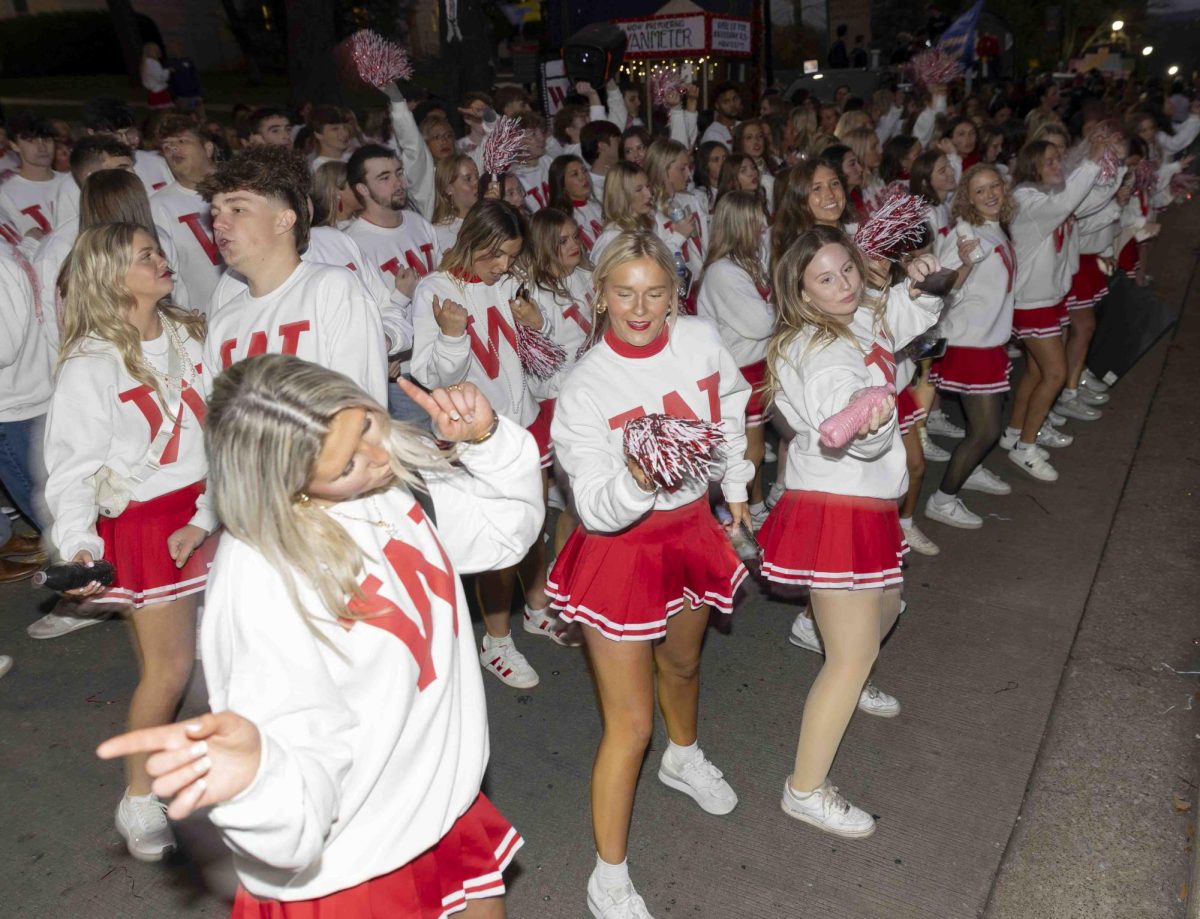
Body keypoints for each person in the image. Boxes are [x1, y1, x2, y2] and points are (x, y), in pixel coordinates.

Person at [97, 354, 543, 916]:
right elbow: (300, 776)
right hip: (350, 866)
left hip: (438, 804)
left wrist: (487, 441)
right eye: (347, 464)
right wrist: (257, 780)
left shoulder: (389, 487)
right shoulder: (266, 578)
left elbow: (506, 536)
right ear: (289, 485)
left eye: (365, 425)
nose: (380, 457)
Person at [547, 230, 751, 918]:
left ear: (674, 295)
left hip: (691, 529)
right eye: (624, 292)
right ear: (599, 295)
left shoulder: (698, 339)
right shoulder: (584, 389)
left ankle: (684, 755)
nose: (639, 307)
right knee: (630, 725)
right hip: (622, 549)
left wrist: (739, 485)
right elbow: (598, 510)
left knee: (686, 667)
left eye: (654, 292)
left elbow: (731, 400)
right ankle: (607, 874)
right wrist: (639, 478)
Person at [759, 225, 943, 838]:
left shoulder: (857, 313)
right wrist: (871, 420)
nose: (843, 285)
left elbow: (896, 319)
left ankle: (827, 633)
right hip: (838, 503)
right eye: (826, 278)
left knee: (890, 606)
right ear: (803, 294)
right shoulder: (820, 351)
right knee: (856, 653)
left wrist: (923, 280)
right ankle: (804, 790)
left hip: (867, 501)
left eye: (847, 270)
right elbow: (846, 410)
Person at [45, 223, 216, 860]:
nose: (161, 260)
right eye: (144, 256)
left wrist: (215, 504)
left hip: (214, 507)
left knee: (232, 651)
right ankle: (139, 798)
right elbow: (72, 468)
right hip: (149, 524)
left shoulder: (193, 333)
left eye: (156, 250)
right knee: (169, 668)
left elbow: (224, 422)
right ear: (112, 276)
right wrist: (79, 543)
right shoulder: (91, 363)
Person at [412, 199, 564, 685]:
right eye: (495, 255)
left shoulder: (508, 283)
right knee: (497, 543)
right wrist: (452, 335)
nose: (503, 266)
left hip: (521, 425)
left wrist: (537, 323)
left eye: (511, 255)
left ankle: (537, 607)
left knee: (534, 523)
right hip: (475, 436)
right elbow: (431, 375)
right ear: (471, 241)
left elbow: (543, 355)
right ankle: (495, 642)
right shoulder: (436, 289)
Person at [199, 144, 389, 403]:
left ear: (284, 221)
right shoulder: (223, 322)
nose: (218, 224)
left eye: (238, 210)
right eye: (215, 213)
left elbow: (359, 407)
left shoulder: (333, 290)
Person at [1002, 137, 1103, 482]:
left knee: (1035, 372)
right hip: (1032, 302)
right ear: (1032, 167)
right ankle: (1025, 448)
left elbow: (1081, 204)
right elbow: (1070, 200)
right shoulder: (1026, 201)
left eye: (1059, 160)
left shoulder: (1046, 198)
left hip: (1049, 297)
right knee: (1056, 374)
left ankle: (1015, 432)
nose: (1058, 166)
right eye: (1049, 162)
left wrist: (1112, 175)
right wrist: (1092, 161)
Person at [925, 164, 1018, 530]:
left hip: (989, 341)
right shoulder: (967, 236)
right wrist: (962, 264)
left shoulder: (995, 228)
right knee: (987, 431)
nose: (991, 194)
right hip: (970, 345)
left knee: (985, 426)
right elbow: (937, 287)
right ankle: (943, 499)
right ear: (968, 198)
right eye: (980, 190)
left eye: (995, 185)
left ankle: (972, 468)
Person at [344, 142, 442, 420]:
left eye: (398, 173)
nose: (398, 183)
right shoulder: (354, 243)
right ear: (362, 189)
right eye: (384, 178)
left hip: (442, 353)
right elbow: (360, 314)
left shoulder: (418, 222)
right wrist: (383, 353)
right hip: (404, 371)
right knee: (419, 452)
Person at [696, 191, 776, 526]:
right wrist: (783, 306)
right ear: (740, 223)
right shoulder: (724, 272)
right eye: (757, 217)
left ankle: (753, 506)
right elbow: (762, 323)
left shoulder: (747, 262)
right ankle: (732, 512)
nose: (763, 224)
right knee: (747, 451)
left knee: (751, 449)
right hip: (738, 371)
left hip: (753, 366)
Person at [0, 238, 53, 584]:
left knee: (45, 505)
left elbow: (3, 347)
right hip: (26, 394)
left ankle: (88, 584)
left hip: (14, 404)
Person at [150, 115, 224, 313]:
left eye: (182, 141)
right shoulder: (157, 207)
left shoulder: (242, 188)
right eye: (167, 146)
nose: (173, 149)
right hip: (203, 317)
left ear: (208, 148)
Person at [645, 139, 707, 312]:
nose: (689, 174)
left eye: (689, 167)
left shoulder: (691, 201)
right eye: (682, 168)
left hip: (700, 289)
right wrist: (678, 236)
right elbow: (652, 261)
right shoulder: (648, 213)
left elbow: (705, 248)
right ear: (662, 170)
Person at [79, 97, 174, 193]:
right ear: (91, 133)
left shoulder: (157, 163)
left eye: (130, 132)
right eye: (114, 135)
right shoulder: (80, 180)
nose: (125, 141)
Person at [47, 134, 133, 233]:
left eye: (131, 168)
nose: (133, 175)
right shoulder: (67, 243)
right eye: (121, 169)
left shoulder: (138, 222)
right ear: (91, 177)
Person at [0, 113, 67, 240]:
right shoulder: (6, 195)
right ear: (14, 145)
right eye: (32, 141)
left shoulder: (72, 181)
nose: (42, 147)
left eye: (47, 140)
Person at [590, 160, 654, 267]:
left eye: (648, 187)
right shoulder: (612, 237)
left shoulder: (642, 226)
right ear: (621, 195)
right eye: (639, 189)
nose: (648, 194)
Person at [548, 154, 604, 257]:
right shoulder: (560, 220)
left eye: (584, 171)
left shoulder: (598, 206)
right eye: (575, 174)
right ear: (562, 184)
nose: (583, 177)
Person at [432, 152, 480, 251]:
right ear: (449, 188)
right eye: (468, 179)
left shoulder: (488, 219)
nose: (477, 183)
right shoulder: (438, 233)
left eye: (477, 176)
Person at [580, 120, 622, 202]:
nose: (622, 144)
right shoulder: (590, 188)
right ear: (602, 146)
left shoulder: (624, 175)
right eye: (618, 141)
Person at [311, 160, 359, 227]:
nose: (364, 189)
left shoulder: (367, 223)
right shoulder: (318, 233)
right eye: (356, 184)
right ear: (336, 191)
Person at [699, 83, 743, 149]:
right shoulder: (712, 134)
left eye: (735, 99)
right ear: (717, 105)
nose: (732, 104)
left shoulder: (743, 126)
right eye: (726, 101)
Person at [309, 105, 352, 171]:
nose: (344, 133)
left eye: (345, 128)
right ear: (318, 134)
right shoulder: (319, 168)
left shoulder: (353, 160)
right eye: (335, 129)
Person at [693, 140, 728, 214]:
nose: (723, 163)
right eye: (716, 160)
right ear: (705, 166)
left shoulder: (737, 188)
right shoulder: (699, 195)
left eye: (725, 158)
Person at [139, 43, 172, 110]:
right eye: (157, 50)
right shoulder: (153, 63)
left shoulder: (145, 62)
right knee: (165, 112)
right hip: (159, 92)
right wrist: (168, 71)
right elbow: (160, 77)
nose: (159, 51)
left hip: (153, 91)